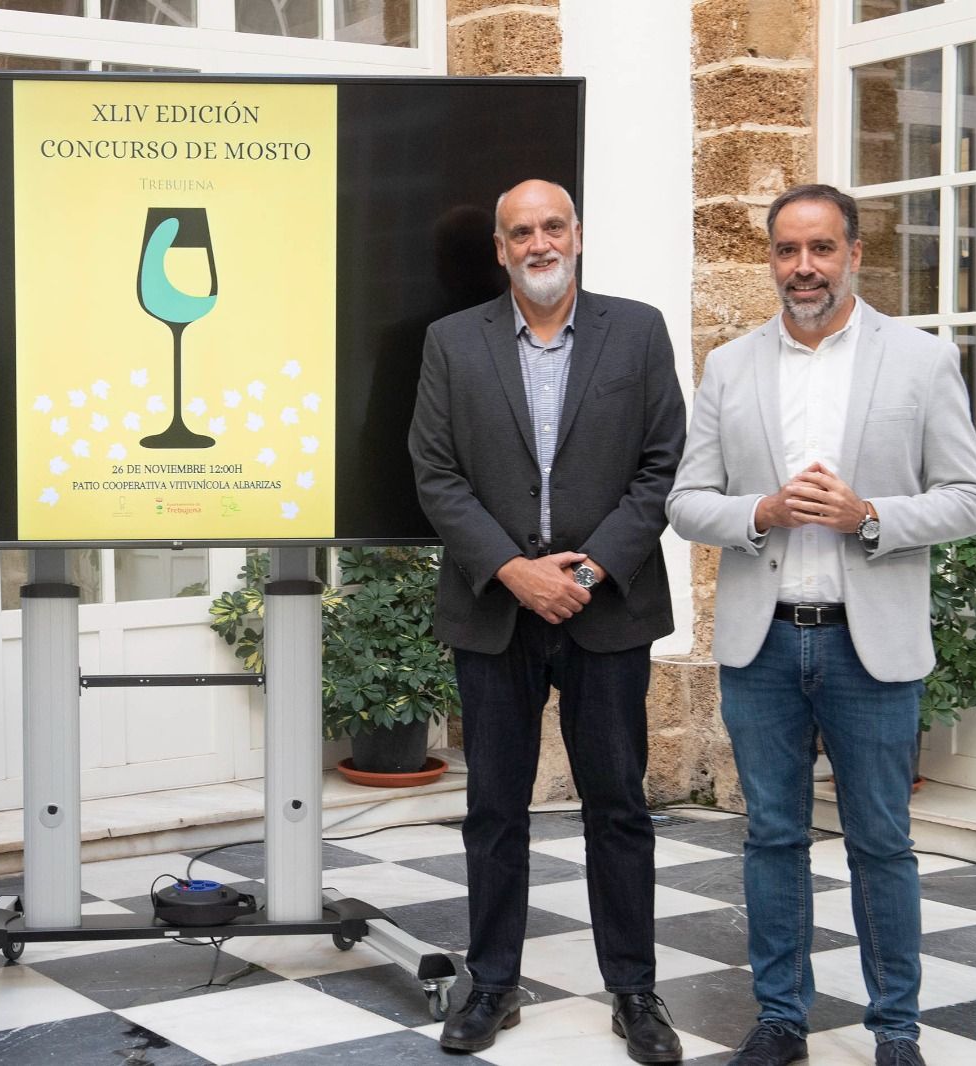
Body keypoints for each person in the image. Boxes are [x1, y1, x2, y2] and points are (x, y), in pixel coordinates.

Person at [666, 184, 976, 1066]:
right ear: (770, 259)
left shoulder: (920, 360)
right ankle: (781, 1020)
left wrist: (870, 515)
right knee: (772, 836)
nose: (802, 267)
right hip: (763, 641)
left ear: (854, 253)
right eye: (787, 250)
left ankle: (896, 1030)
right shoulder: (730, 366)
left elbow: (971, 498)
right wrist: (762, 511)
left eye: (820, 249)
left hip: (868, 642)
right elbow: (687, 502)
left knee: (881, 844)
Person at [409, 179, 687, 1061]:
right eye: (521, 231)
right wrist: (515, 571)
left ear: (578, 235)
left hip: (608, 610)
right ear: (500, 249)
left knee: (619, 807)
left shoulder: (636, 331)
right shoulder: (452, 342)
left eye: (553, 226)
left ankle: (635, 992)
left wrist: (590, 570)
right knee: (494, 808)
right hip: (497, 609)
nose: (539, 243)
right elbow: (435, 473)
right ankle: (492, 986)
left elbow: (662, 466)